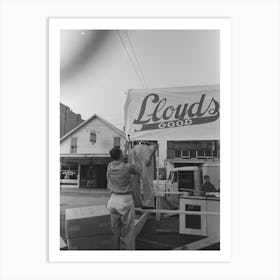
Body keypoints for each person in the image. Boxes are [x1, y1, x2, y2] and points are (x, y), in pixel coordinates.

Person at [106, 146, 141, 250]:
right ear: (121, 155)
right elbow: (139, 169)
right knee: (128, 231)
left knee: (114, 230)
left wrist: (125, 150)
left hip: (112, 200)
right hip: (125, 200)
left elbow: (118, 159)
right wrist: (135, 157)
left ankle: (115, 252)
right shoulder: (127, 167)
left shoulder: (109, 166)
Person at [129, 141, 158, 209]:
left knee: (147, 178)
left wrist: (150, 156)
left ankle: (148, 204)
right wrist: (131, 150)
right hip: (134, 148)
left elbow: (155, 144)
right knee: (134, 178)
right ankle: (137, 202)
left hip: (147, 148)